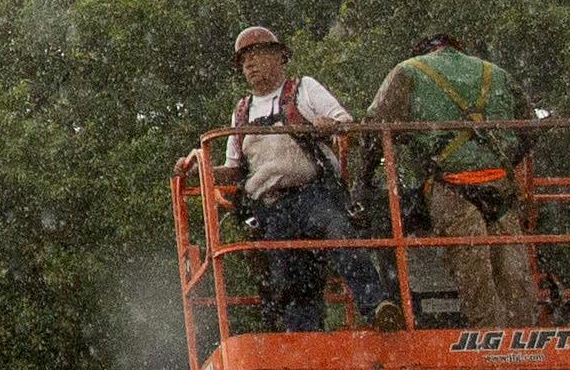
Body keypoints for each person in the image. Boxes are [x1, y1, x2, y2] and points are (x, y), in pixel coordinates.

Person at [363, 27, 546, 325]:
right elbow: (530, 130)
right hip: (499, 185)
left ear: (424, 52)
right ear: (458, 49)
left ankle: (488, 346)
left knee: (475, 273)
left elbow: (373, 129)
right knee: (514, 274)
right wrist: (505, 160)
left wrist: (364, 181)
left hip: (451, 188)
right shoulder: (495, 72)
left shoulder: (409, 71)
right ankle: (526, 347)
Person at [219, 26, 395, 333]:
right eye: (244, 59)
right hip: (269, 205)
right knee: (288, 276)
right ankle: (302, 338)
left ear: (279, 58)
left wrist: (326, 125)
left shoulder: (303, 89)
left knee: (339, 231)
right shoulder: (242, 111)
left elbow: (346, 125)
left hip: (313, 193)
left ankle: (377, 306)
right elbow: (233, 167)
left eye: (256, 54)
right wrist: (198, 169)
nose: (249, 64)